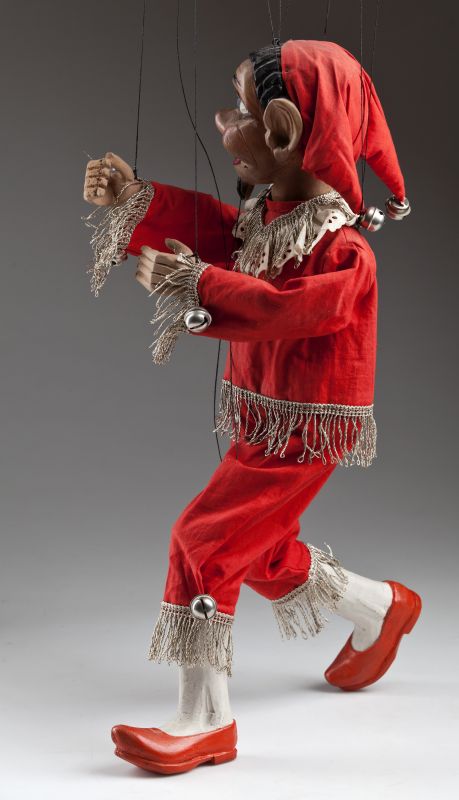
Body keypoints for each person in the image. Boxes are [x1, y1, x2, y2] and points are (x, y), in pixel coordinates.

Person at [82, 39, 420, 776]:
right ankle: (379, 608)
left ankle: (205, 721)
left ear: (283, 132)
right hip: (270, 419)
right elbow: (222, 234)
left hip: (303, 430)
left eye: (238, 111)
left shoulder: (343, 252)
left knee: (202, 540)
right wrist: (140, 201)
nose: (222, 124)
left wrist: (194, 283)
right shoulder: (273, 216)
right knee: (257, 550)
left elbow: (284, 308)